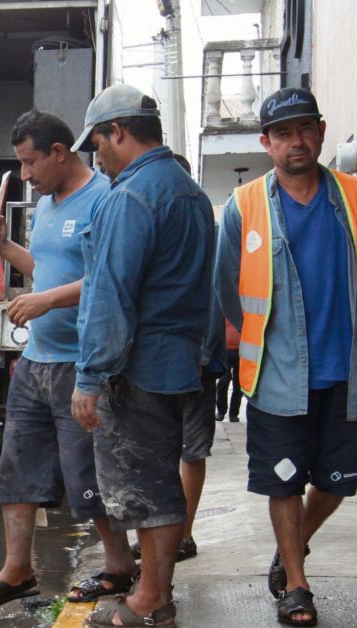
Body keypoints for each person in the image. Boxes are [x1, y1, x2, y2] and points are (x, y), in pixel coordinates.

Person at [214, 87, 357, 627]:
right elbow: (227, 289)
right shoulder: (243, 207)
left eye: (304, 129)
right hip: (278, 373)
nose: (296, 142)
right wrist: (264, 340)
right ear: (266, 143)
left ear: (322, 131)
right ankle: (296, 583)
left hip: (348, 369)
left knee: (340, 478)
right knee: (283, 480)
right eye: (283, 134)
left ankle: (295, 544)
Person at [0, 110, 135, 613]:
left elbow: (110, 279)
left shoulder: (104, 200)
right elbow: (45, 269)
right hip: (36, 360)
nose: (25, 175)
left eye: (30, 162)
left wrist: (44, 302)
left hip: (80, 365)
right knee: (17, 470)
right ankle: (17, 572)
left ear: (59, 153)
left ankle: (120, 564)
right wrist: (5, 246)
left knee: (87, 478)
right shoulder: (47, 203)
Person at [69, 84, 215, 628]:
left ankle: (152, 599)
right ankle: (155, 592)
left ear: (119, 133)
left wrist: (90, 376)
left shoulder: (130, 196)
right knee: (160, 481)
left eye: (97, 144)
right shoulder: (188, 190)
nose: (96, 156)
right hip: (176, 363)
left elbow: (110, 295)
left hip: (138, 367)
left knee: (145, 488)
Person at [127, 154, 225, 566]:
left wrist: (203, 353)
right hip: (165, 359)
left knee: (189, 450)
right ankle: (164, 537)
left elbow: (216, 295)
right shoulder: (161, 226)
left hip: (196, 361)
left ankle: (183, 534)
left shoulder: (206, 230)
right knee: (163, 452)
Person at [216, 320, 243, 422]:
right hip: (225, 352)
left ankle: (234, 414)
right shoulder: (224, 309)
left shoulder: (245, 310)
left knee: (239, 385)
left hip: (242, 352)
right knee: (223, 382)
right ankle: (221, 411)